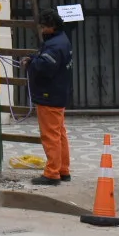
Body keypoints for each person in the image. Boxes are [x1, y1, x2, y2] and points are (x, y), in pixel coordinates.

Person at [26, 13, 74, 184]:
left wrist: (31, 63)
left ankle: (52, 173)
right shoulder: (62, 39)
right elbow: (46, 61)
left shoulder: (54, 45)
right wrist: (34, 59)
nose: (42, 29)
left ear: (52, 25)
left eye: (43, 26)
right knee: (60, 133)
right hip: (59, 93)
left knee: (50, 135)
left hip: (49, 95)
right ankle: (63, 169)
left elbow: (46, 67)